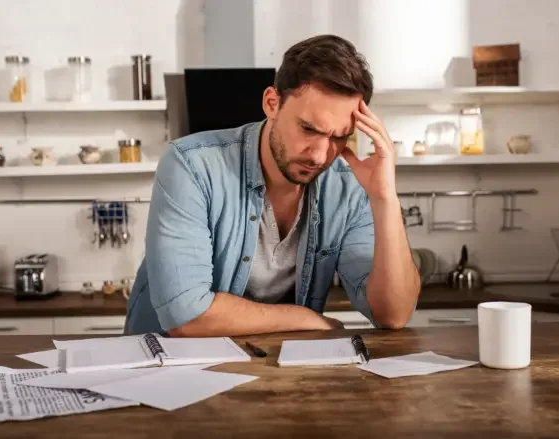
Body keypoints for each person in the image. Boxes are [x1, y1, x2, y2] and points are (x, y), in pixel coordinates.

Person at [124, 34, 421, 337]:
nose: (320, 155)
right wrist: (306, 318)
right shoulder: (191, 166)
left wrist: (384, 197)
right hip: (164, 370)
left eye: (338, 136)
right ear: (272, 103)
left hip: (276, 373)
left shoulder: (348, 189)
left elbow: (393, 315)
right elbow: (186, 316)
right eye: (308, 129)